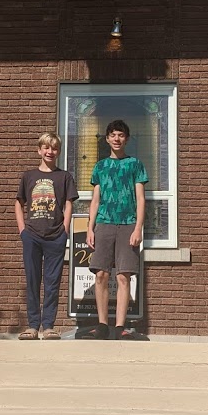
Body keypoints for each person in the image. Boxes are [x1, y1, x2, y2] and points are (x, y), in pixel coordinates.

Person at [83, 119, 148, 340]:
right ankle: (102, 325)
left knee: (123, 276)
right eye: (113, 135)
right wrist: (90, 228)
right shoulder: (100, 167)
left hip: (128, 223)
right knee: (101, 274)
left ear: (126, 139)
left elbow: (141, 199)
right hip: (104, 223)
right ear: (107, 138)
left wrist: (138, 228)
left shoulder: (135, 164)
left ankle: (120, 326)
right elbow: (95, 200)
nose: (117, 139)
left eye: (120, 135)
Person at [15, 132, 78, 340]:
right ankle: (33, 326)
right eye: (46, 147)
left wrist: (65, 229)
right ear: (39, 150)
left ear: (58, 152)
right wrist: (22, 230)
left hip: (56, 235)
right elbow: (19, 203)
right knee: (32, 280)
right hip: (32, 235)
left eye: (54, 148)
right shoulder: (28, 176)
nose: (50, 151)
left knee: (52, 282)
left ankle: (49, 326)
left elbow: (69, 203)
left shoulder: (64, 177)